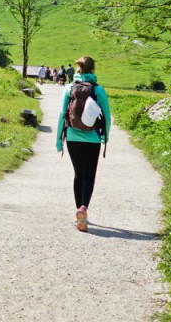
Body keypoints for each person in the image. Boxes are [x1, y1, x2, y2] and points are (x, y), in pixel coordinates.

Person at [56, 56, 111, 232]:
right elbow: (107, 118)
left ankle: (77, 211)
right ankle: (83, 209)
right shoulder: (98, 90)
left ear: (78, 69)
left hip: (72, 138)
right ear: (93, 70)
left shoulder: (69, 88)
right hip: (92, 139)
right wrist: (105, 137)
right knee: (89, 176)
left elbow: (61, 115)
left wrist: (59, 141)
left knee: (78, 175)